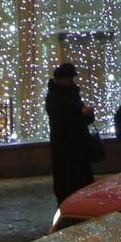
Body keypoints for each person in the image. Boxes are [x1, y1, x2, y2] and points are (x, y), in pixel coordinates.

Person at [46, 62, 96, 203]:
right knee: (68, 184)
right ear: (60, 79)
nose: (72, 82)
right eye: (69, 79)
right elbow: (61, 119)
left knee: (81, 183)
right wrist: (81, 114)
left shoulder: (72, 93)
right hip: (65, 148)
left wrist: (87, 115)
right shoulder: (54, 96)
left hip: (78, 147)